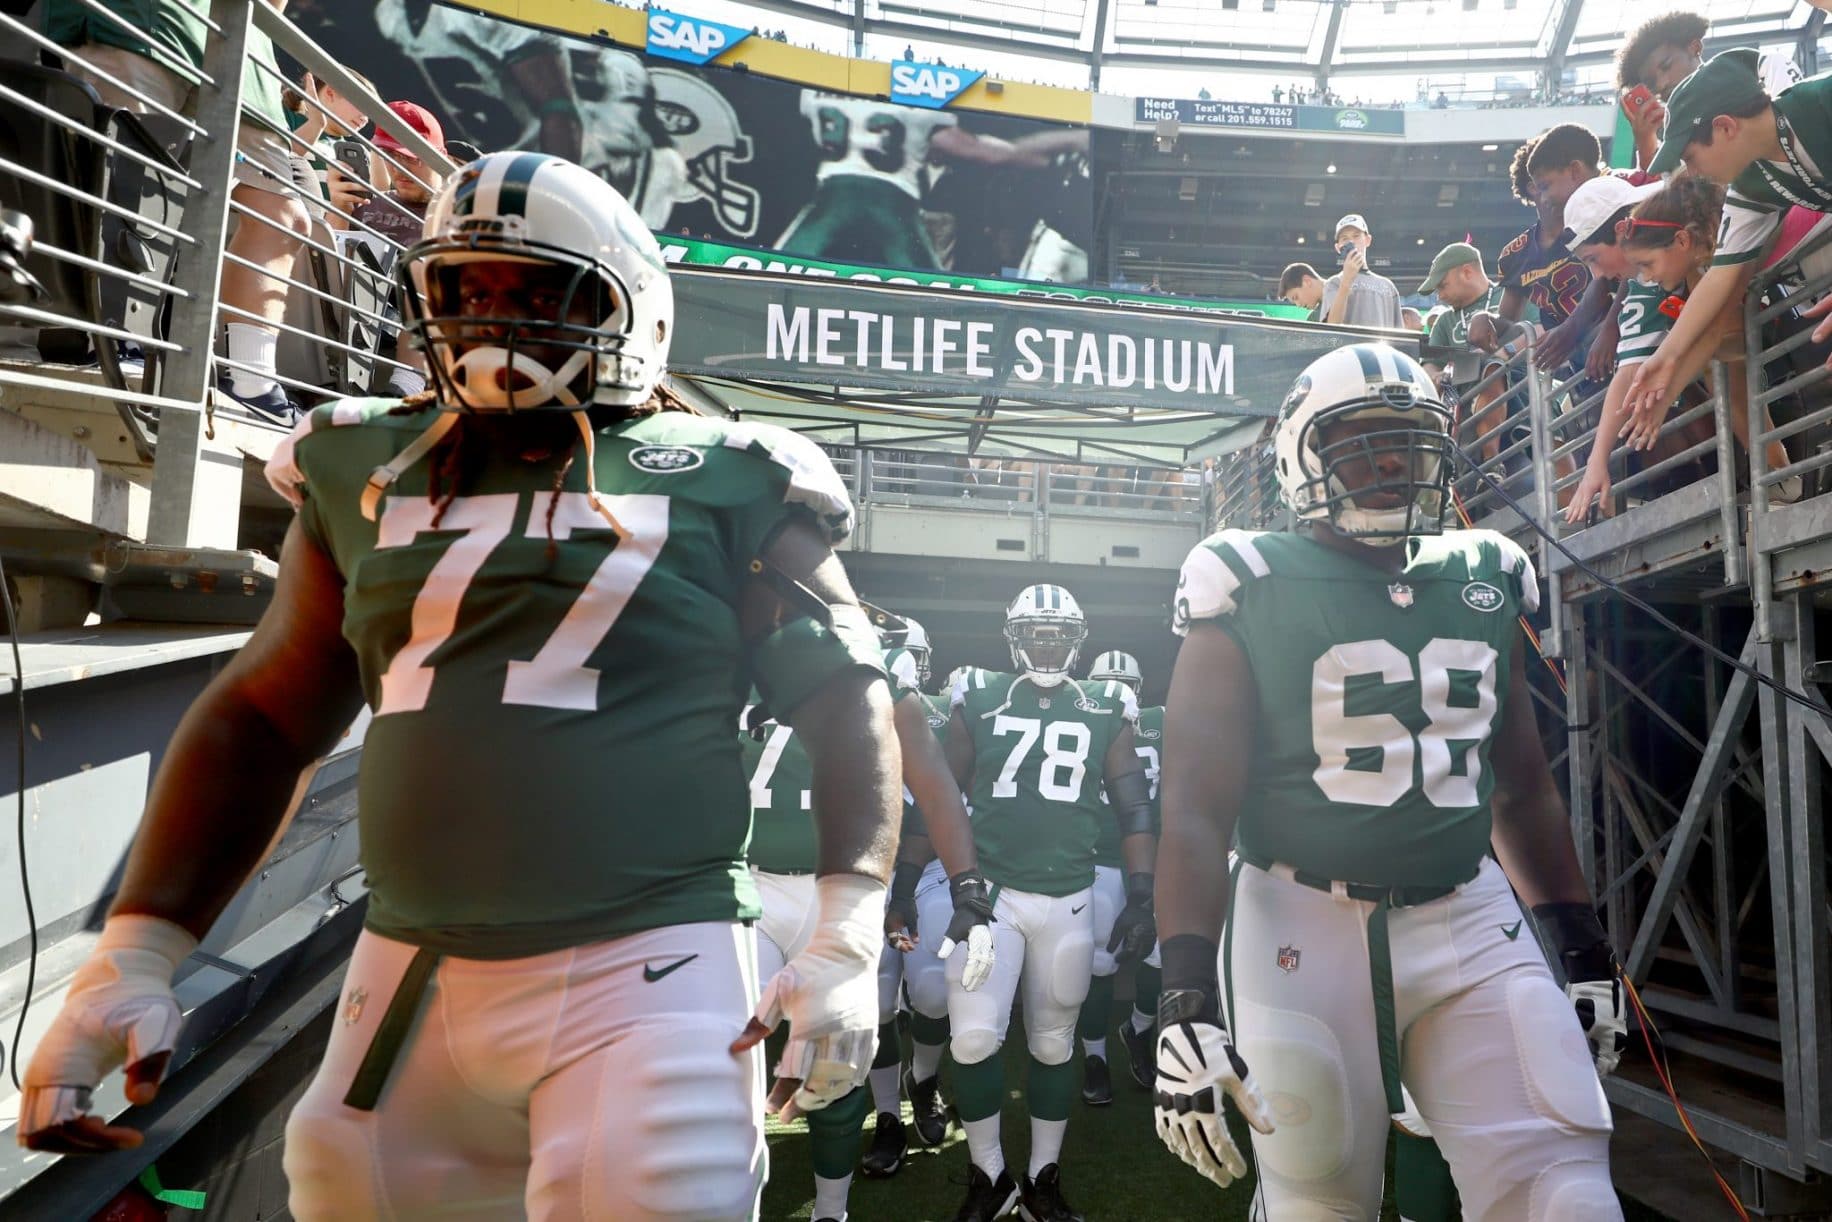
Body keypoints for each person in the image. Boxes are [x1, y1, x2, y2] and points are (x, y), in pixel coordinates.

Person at [20, 154, 900, 1222]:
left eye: (538, 293)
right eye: (466, 291)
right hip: (407, 971)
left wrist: (847, 933)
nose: (494, 321)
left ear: (632, 312)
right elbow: (264, 715)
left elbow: (846, 694)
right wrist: (136, 951)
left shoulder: (728, 471)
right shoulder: (366, 462)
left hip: (648, 960)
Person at [1154, 341, 1627, 1219]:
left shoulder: (1483, 576)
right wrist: (1182, 992)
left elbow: (1519, 786)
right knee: (1318, 1199)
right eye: (1360, 442)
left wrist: (1581, 944)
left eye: (1406, 443)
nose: (1386, 464)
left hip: (1467, 914)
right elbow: (1192, 807)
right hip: (1297, 915)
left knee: (1565, 1193)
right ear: (1302, 454)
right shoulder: (1246, 576)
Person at [743, 627, 990, 1222]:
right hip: (747, 882)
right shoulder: (731, 652)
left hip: (843, 891)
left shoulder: (875, 668)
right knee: (724, 1054)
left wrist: (964, 885)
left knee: (836, 1059)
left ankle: (833, 1209)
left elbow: (934, 788)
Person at [943, 586, 1158, 1221]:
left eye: (1057, 634)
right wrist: (913, 885)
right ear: (1013, 637)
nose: (1046, 644)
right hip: (995, 896)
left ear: (1077, 639)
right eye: (1035, 633)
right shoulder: (977, 693)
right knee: (975, 1039)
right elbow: (938, 792)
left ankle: (1043, 1175)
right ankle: (989, 1175)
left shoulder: (1105, 704)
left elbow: (1134, 805)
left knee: (1053, 1044)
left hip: (1068, 895)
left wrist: (1141, 893)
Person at [43, 0, 313, 421]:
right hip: (139, 21)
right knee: (124, 179)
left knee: (282, 213)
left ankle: (252, 383)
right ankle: (115, 345)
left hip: (239, 46)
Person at [1565, 176, 1797, 522]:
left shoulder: (1706, 240)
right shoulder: (1657, 270)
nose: (1598, 274)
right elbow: (1640, 367)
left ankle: (1776, 468)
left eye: (1594, 258)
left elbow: (1714, 326)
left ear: (1620, 231)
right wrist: (1597, 462)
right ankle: (1775, 470)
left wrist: (1597, 462)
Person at [1628, 50, 1832, 422]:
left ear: (1724, 127)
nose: (1691, 171)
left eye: (1689, 156)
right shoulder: (1751, 184)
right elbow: (1721, 278)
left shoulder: (1820, 103)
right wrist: (1666, 356)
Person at [779, 90, 1090, 271]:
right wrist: (1056, 152)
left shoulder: (818, 93)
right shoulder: (918, 106)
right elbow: (981, 151)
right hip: (894, 200)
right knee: (930, 288)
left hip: (833, 195)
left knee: (774, 266)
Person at [1074, 650, 1166, 1104]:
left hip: (1157, 857)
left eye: (1127, 685)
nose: (1122, 694)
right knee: (1099, 961)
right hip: (1101, 858)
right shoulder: (1082, 719)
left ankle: (1139, 1029)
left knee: (1162, 960)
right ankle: (1095, 1057)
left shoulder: (1164, 721)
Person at [1614, 10, 1803, 176]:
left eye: (1667, 66)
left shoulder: (1763, 71)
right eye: (1651, 82)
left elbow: (1799, 136)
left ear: (1694, 47)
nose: (1662, 84)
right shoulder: (1676, 138)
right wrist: (1645, 143)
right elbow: (1675, 199)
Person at [1319, 213, 1404, 329]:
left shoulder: (1388, 287)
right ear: (1337, 247)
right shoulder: (1334, 283)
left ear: (1367, 240)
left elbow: (1399, 334)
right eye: (1345, 238)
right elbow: (1331, 327)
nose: (1351, 242)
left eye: (1356, 236)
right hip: (1348, 347)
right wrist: (1346, 281)